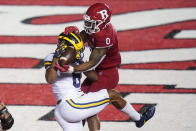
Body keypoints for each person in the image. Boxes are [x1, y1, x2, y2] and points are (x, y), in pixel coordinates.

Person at [57, 3, 156, 131]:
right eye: (88, 22)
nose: (88, 26)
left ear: (103, 22)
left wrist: (72, 68)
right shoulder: (96, 29)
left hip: (106, 73)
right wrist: (69, 38)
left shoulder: (104, 36)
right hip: (97, 73)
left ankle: (139, 119)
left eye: (92, 23)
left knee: (86, 108)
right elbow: (80, 39)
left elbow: (91, 63)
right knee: (82, 106)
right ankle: (139, 119)